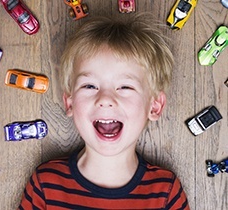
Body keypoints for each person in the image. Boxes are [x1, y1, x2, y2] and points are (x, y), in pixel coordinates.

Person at [18, 15, 190, 209]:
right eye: (90, 86)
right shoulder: (45, 185)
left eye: (125, 87)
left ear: (154, 106)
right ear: (70, 103)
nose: (106, 99)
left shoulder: (166, 192)